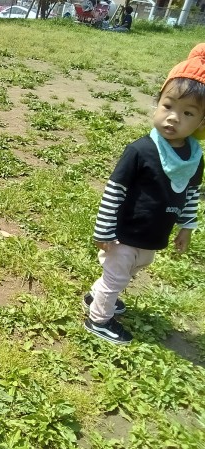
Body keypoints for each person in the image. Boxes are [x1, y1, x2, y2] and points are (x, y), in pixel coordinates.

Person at [83, 43, 205, 345]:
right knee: (117, 276)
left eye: (187, 113)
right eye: (167, 106)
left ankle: (98, 295)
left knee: (135, 268)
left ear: (201, 122)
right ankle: (98, 319)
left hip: (153, 234)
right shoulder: (141, 150)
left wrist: (187, 227)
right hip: (124, 234)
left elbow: (190, 193)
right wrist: (104, 230)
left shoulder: (193, 157)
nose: (173, 117)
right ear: (158, 103)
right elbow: (115, 190)